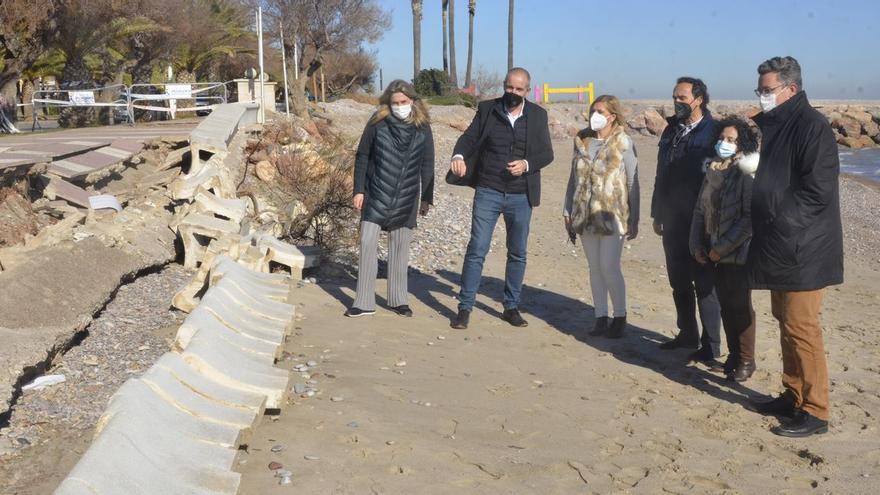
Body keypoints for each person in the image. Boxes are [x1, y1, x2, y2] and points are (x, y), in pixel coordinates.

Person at [746, 56, 843, 437]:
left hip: (805, 244)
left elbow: (817, 191)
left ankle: (816, 410)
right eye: (760, 90)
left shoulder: (812, 127)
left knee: (803, 326)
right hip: (778, 243)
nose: (762, 97)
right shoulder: (774, 126)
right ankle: (792, 393)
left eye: (767, 91)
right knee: (785, 321)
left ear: (791, 89)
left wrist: (779, 220)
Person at [446, 67, 554, 329]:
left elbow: (547, 154)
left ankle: (511, 307)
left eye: (518, 89)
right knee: (477, 249)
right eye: (509, 87)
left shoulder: (538, 116)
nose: (512, 93)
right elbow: (469, 138)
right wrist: (458, 156)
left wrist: (527, 164)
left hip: (521, 196)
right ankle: (465, 307)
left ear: (527, 91)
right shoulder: (487, 109)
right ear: (504, 86)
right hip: (488, 191)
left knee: (517, 253)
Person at [346, 79, 435, 318]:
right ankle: (363, 301)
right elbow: (362, 156)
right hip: (375, 193)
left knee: (400, 248)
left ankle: (398, 300)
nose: (399, 106)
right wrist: (359, 190)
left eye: (403, 102)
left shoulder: (423, 126)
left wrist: (427, 197)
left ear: (413, 101)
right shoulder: (377, 122)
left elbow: (428, 163)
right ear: (388, 103)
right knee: (366, 242)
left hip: (407, 195)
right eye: (394, 102)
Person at [651, 77, 722, 365]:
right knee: (678, 281)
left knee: (705, 285)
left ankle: (711, 345)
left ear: (699, 99)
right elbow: (661, 173)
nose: (677, 102)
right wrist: (657, 212)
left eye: (682, 97)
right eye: (674, 97)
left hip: (702, 224)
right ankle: (687, 333)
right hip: (672, 219)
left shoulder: (714, 132)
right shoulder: (671, 130)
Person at [563, 95, 640, 338]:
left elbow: (632, 182)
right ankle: (600, 317)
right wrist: (567, 211)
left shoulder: (624, 142)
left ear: (612, 116)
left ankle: (620, 316)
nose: (595, 115)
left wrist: (634, 218)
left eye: (600, 111)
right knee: (594, 268)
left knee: (609, 266)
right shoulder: (581, 141)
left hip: (612, 216)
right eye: (592, 110)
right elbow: (572, 179)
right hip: (584, 215)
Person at [689, 116, 759, 381]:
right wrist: (696, 244)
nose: (724, 143)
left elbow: (748, 219)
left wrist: (723, 248)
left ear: (742, 144)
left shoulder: (746, 172)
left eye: (731, 140)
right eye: (721, 138)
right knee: (726, 306)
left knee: (740, 306)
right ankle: (733, 356)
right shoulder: (714, 170)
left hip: (739, 253)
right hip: (713, 251)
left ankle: (747, 360)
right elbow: (700, 210)